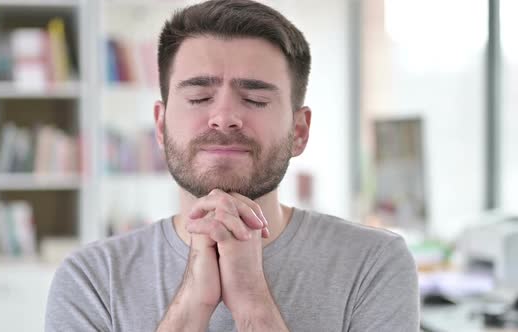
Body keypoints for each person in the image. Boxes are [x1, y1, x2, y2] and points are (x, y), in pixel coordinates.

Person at [45, 0, 420, 331]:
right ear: (160, 126)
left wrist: (254, 304)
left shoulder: (374, 264)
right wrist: (191, 308)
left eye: (255, 99)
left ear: (299, 132)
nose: (224, 117)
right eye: (199, 96)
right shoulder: (91, 279)